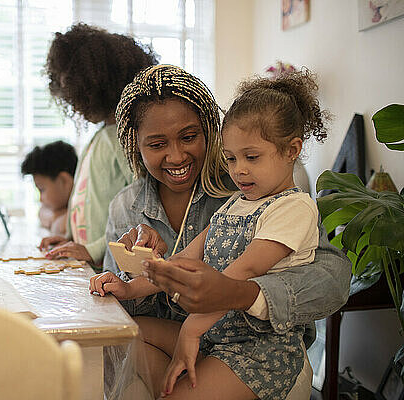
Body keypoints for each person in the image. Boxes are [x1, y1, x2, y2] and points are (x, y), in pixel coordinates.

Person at [89, 65, 350, 399]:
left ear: (208, 132)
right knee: (121, 339)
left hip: (250, 348)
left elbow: (324, 276)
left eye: (188, 137)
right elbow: (177, 264)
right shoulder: (233, 203)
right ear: (134, 146)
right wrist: (126, 286)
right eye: (156, 144)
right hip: (211, 336)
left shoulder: (267, 198)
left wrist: (193, 326)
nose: (176, 155)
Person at [39, 23, 158, 267]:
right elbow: (87, 200)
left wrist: (92, 250)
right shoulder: (102, 135)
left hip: (111, 266)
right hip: (93, 263)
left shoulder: (122, 140)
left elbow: (142, 209)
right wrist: (69, 239)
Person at [21, 140, 77, 235]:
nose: (40, 199)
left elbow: (61, 228)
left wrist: (56, 219)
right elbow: (41, 212)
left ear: (64, 181)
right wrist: (56, 216)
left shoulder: (82, 205)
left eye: (42, 190)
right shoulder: (61, 205)